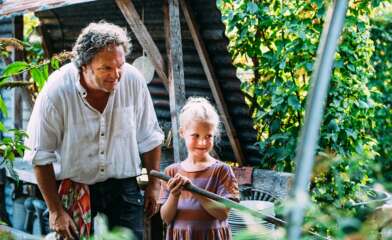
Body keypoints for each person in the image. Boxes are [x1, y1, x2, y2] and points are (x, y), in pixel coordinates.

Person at [24, 21, 164, 240]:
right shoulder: (57, 91)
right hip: (74, 188)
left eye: (120, 65)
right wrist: (55, 210)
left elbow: (150, 138)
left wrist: (152, 186)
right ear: (84, 66)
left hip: (124, 188)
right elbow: (40, 154)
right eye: (106, 68)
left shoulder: (133, 80)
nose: (116, 74)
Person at [159, 97, 240, 240]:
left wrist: (194, 191)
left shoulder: (222, 171)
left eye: (208, 136)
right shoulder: (171, 172)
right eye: (195, 135)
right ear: (182, 133)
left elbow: (223, 213)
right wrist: (174, 195)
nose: (202, 142)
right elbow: (166, 218)